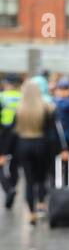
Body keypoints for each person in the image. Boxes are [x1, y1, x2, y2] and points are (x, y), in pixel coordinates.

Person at [12, 78, 63, 224]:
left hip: (23, 145)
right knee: (41, 178)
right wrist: (59, 149)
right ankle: (41, 204)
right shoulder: (47, 108)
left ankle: (31, 212)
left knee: (28, 180)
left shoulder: (20, 109)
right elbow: (53, 131)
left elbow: (13, 131)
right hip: (41, 145)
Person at [0, 74, 21, 209]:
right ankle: (13, 186)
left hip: (3, 134)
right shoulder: (23, 97)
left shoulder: (1, 97)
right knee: (15, 164)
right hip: (19, 133)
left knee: (1, 164)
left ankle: (9, 189)